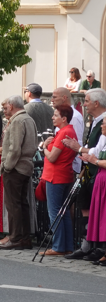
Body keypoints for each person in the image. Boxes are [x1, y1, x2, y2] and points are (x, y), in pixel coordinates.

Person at [61, 88, 106, 261]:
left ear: (96, 103)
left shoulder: (103, 121)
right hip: (90, 170)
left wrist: (78, 148)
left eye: (86, 101)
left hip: (98, 171)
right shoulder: (96, 121)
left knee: (99, 210)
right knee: (86, 206)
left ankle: (99, 247)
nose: (84, 104)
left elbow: (98, 150)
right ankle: (87, 245)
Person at [0, 96, 38, 250]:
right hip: (25, 166)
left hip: (16, 167)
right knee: (21, 204)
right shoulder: (28, 119)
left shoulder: (18, 120)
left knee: (14, 205)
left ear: (11, 106)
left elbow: (15, 148)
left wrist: (7, 166)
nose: (5, 110)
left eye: (6, 107)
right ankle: (24, 238)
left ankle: (16, 238)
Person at [40, 105, 78, 255]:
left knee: (55, 212)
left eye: (55, 115)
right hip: (64, 175)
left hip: (55, 177)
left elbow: (52, 157)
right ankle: (67, 246)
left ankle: (58, 246)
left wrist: (44, 147)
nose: (52, 117)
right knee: (64, 212)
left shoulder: (64, 132)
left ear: (64, 118)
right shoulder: (69, 131)